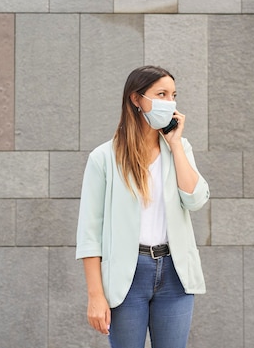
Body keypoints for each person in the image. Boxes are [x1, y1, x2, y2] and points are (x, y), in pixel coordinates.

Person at [76, 65, 210, 348]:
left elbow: (195, 200)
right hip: (128, 275)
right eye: (160, 94)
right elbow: (90, 234)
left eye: (173, 95)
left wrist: (174, 145)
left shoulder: (180, 149)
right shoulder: (103, 158)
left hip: (175, 274)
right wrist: (95, 295)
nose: (169, 102)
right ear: (136, 99)